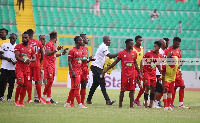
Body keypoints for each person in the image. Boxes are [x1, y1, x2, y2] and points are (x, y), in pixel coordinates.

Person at [103, 39, 141, 108]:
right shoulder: (122, 53)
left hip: (132, 74)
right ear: (127, 45)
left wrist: (139, 72)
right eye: (131, 44)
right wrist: (107, 69)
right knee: (122, 90)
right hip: (124, 75)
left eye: (133, 44)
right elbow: (115, 62)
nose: (132, 45)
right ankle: (120, 105)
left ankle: (131, 106)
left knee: (132, 90)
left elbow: (135, 64)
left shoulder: (134, 53)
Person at [86, 35, 118, 105]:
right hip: (96, 67)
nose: (110, 41)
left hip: (97, 67)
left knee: (95, 84)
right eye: (108, 40)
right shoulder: (103, 47)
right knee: (102, 82)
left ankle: (88, 100)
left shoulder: (105, 46)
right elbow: (110, 56)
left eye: (110, 40)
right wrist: (120, 54)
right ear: (104, 41)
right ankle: (107, 100)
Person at [69, 34, 95, 107]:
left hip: (85, 69)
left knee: (84, 85)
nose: (88, 40)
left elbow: (84, 60)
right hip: (79, 69)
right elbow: (78, 60)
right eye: (87, 39)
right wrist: (88, 59)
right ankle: (71, 102)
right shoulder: (78, 49)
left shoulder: (86, 49)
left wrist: (89, 60)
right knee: (76, 87)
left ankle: (82, 103)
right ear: (83, 39)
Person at [42, 31, 66, 104]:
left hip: (52, 65)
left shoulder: (52, 44)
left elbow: (53, 55)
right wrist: (56, 50)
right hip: (48, 64)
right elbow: (48, 53)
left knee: (50, 82)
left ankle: (48, 99)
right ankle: (42, 97)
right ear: (55, 38)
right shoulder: (49, 44)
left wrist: (61, 53)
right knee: (50, 81)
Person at [164, 37, 188, 108]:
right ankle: (170, 103)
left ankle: (181, 104)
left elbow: (179, 62)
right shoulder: (168, 50)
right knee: (172, 88)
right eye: (177, 44)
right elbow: (164, 60)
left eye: (179, 44)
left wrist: (181, 65)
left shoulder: (178, 50)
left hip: (177, 71)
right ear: (174, 42)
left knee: (182, 85)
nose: (178, 45)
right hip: (170, 72)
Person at [14, 31, 36, 106]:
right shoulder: (18, 46)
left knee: (25, 86)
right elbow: (17, 57)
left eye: (26, 37)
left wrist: (30, 60)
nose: (24, 39)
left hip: (27, 69)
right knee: (20, 83)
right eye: (23, 37)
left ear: (29, 38)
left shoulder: (31, 48)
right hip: (19, 68)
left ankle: (21, 102)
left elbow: (34, 58)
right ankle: (16, 101)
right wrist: (25, 60)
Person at [64, 36, 87, 108]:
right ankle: (80, 104)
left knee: (73, 88)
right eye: (81, 40)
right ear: (77, 42)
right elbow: (69, 62)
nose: (82, 42)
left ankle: (67, 103)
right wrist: (72, 71)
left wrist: (88, 59)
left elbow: (79, 61)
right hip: (74, 72)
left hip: (79, 71)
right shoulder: (72, 51)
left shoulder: (80, 50)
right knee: (77, 88)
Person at [25, 29, 45, 104]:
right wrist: (38, 62)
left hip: (29, 65)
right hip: (36, 65)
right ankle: (39, 98)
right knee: (37, 82)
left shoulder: (26, 43)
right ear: (33, 34)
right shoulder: (38, 42)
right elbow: (42, 54)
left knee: (29, 81)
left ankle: (29, 99)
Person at [141, 41, 162, 108]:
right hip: (146, 72)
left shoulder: (159, 55)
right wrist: (141, 72)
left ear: (159, 47)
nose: (154, 47)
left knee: (153, 88)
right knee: (147, 87)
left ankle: (151, 104)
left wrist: (161, 71)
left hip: (153, 74)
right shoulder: (148, 53)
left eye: (156, 46)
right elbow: (142, 61)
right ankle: (146, 103)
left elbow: (158, 64)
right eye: (154, 46)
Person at [0, 33, 17, 102]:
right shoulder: (4, 45)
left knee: (11, 83)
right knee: (2, 82)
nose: (12, 39)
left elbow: (19, 57)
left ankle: (9, 98)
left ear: (16, 39)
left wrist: (15, 62)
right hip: (4, 67)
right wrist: (6, 58)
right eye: (11, 38)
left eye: (13, 38)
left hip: (13, 68)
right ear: (9, 38)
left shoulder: (17, 47)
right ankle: (1, 96)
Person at [33, 35, 48, 103]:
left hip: (46, 68)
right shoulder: (37, 48)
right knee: (38, 83)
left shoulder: (47, 47)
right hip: (39, 68)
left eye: (43, 39)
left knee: (47, 84)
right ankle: (36, 98)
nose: (42, 40)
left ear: (45, 40)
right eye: (41, 39)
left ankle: (48, 98)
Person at [153, 39, 166, 108]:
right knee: (159, 88)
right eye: (164, 43)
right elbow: (157, 62)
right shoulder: (159, 51)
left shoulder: (161, 51)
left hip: (159, 71)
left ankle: (153, 101)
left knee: (157, 88)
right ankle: (155, 102)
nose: (165, 44)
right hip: (158, 72)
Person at [132, 35, 144, 107]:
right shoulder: (132, 48)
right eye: (139, 40)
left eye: (141, 41)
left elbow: (142, 61)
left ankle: (137, 99)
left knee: (143, 87)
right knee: (132, 88)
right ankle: (132, 102)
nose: (140, 42)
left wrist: (142, 71)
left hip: (139, 70)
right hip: (133, 70)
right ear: (136, 41)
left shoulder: (142, 49)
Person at [0, 28, 10, 101]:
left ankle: (2, 95)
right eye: (0, 32)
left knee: (5, 81)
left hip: (6, 65)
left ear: (6, 33)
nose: (1, 33)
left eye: (2, 32)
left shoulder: (10, 41)